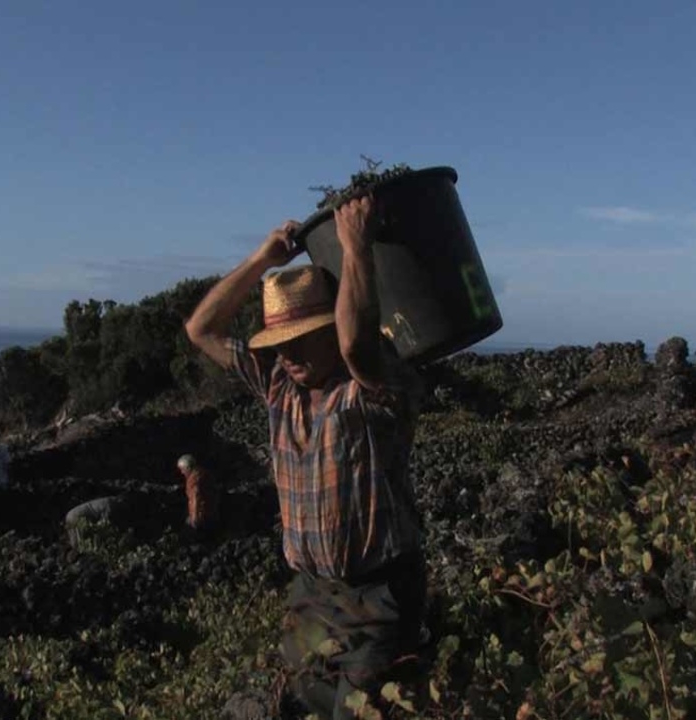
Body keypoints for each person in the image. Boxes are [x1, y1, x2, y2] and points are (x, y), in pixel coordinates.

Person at [185, 195, 427, 718]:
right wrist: (262, 261)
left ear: (328, 331)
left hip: (381, 595)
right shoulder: (277, 386)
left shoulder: (374, 390)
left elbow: (358, 346)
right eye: (279, 342)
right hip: (313, 596)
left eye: (299, 339)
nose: (287, 354)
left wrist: (355, 249)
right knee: (297, 706)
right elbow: (199, 330)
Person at [64, 454, 213, 548]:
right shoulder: (201, 475)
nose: (181, 473)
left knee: (83, 540)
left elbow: (196, 498)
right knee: (81, 540)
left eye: (182, 470)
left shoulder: (194, 480)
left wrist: (195, 518)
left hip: (81, 515)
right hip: (78, 517)